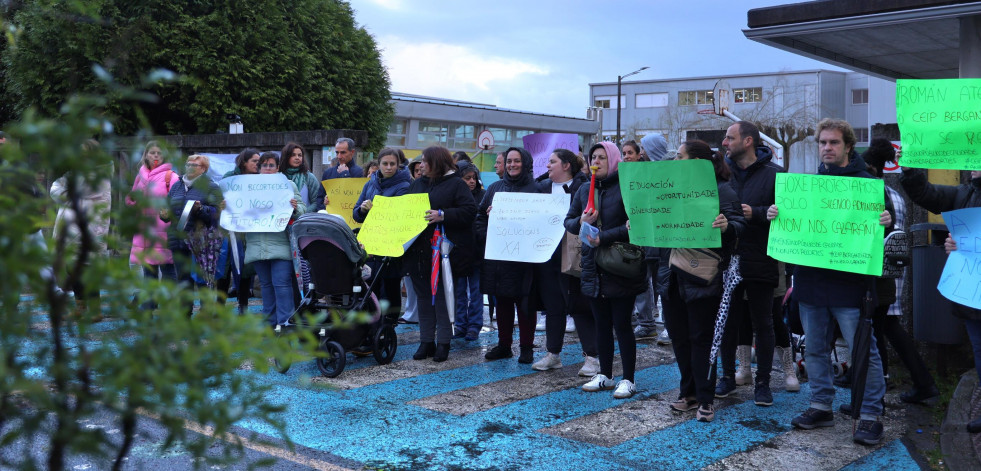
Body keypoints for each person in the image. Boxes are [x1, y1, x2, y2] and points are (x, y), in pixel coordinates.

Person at [768, 118, 892, 445]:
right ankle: (821, 405)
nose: (827, 148)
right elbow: (793, 227)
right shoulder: (808, 187)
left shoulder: (867, 184)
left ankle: (869, 414)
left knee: (864, 351)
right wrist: (777, 216)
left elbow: (883, 232)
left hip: (850, 288)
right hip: (810, 284)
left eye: (834, 142)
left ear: (848, 146)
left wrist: (885, 221)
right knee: (816, 350)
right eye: (823, 142)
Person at [661, 140, 745, 421]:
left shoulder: (722, 189)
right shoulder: (670, 189)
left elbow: (739, 225)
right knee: (680, 339)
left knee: (702, 339)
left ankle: (706, 400)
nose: (675, 162)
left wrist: (728, 226)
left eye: (680, 157)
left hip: (702, 276)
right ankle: (688, 393)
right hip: (671, 276)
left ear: (697, 162)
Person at [898, 146, 980, 431]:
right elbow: (928, 194)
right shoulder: (965, 193)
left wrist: (969, 245)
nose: (972, 163)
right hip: (973, 296)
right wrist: (909, 171)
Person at [564, 142, 647, 399]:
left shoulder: (627, 187)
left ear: (613, 160)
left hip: (620, 264)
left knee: (622, 324)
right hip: (592, 265)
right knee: (601, 324)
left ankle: (629, 379)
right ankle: (606, 375)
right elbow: (569, 220)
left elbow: (637, 224)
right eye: (592, 158)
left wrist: (605, 236)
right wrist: (581, 222)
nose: (596, 162)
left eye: (602, 157)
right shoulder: (582, 189)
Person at [859, 139, 937, 404]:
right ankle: (921, 383)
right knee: (887, 326)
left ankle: (882, 386)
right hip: (895, 269)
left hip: (879, 272)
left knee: (878, 328)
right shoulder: (895, 195)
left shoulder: (875, 194)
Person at [714, 121, 785, 405]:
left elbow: (788, 215)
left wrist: (754, 213)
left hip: (760, 257)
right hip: (727, 258)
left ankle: (763, 383)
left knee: (763, 322)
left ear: (747, 142)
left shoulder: (776, 175)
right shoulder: (723, 176)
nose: (724, 143)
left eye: (729, 138)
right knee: (728, 321)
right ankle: (728, 377)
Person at [404, 146, 477, 362]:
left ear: (436, 162)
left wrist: (443, 215)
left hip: (445, 254)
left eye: (425, 161)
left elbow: (469, 211)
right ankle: (426, 341)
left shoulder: (456, 184)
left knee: (444, 298)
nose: (421, 165)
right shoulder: (418, 184)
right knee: (424, 298)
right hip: (418, 252)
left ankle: (443, 342)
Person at [531, 149, 600, 376]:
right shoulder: (540, 188)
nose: (548, 166)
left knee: (578, 306)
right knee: (553, 306)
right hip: (546, 256)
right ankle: (553, 354)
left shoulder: (584, 187)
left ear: (566, 165)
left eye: (552, 162)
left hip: (574, 255)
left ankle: (592, 357)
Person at [478, 147, 540, 364]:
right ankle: (504, 345)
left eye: (517, 161)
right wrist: (489, 232)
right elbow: (479, 218)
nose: (513, 165)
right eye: (509, 161)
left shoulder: (537, 189)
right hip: (499, 257)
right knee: (502, 302)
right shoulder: (494, 188)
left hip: (525, 258)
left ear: (525, 162)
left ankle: (526, 347)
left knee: (526, 305)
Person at [50, 139, 112, 318]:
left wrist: (66, 193)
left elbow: (82, 190)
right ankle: (80, 306)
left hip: (90, 228)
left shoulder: (101, 174)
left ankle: (95, 310)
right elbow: (54, 187)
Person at [243, 152, 305, 328]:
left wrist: (294, 208)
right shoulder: (248, 187)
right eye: (264, 165)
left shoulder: (288, 185)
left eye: (271, 165)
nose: (267, 168)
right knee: (266, 286)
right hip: (256, 244)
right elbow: (238, 208)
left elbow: (303, 209)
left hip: (281, 244)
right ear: (259, 168)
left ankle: (285, 324)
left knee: (282, 285)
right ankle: (269, 324)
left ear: (278, 167)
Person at [161, 154, 223, 317]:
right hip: (178, 239)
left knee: (202, 280)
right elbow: (168, 208)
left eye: (193, 165)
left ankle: (206, 315)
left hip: (201, 242)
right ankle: (184, 316)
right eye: (187, 164)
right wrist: (164, 214)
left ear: (203, 169)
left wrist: (202, 210)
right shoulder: (177, 186)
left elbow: (216, 214)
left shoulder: (211, 187)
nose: (189, 167)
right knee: (183, 280)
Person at [353, 148, 412, 317]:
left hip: (390, 245)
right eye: (385, 164)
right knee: (370, 285)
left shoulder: (405, 186)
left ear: (398, 165)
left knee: (390, 287)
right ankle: (371, 325)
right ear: (378, 165)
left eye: (392, 164)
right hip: (370, 244)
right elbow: (355, 214)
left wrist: (376, 211)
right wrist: (363, 209)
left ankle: (388, 325)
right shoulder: (370, 183)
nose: (388, 167)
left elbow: (399, 217)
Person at [127, 141, 177, 307]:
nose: (156, 156)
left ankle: (170, 307)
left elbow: (177, 202)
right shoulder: (140, 176)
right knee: (148, 270)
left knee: (168, 270)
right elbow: (131, 200)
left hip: (163, 230)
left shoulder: (171, 176)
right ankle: (149, 306)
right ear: (146, 155)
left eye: (159, 153)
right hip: (144, 230)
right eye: (152, 153)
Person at [215, 148, 260, 313]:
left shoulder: (261, 180)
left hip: (250, 229)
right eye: (254, 161)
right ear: (244, 162)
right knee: (225, 267)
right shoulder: (229, 178)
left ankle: (243, 306)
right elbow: (219, 198)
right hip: (230, 229)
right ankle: (219, 306)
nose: (258, 164)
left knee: (245, 267)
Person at [454, 161, 485, 341]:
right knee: (459, 291)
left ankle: (474, 325)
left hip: (477, 251)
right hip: (459, 251)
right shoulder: (456, 196)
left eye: (474, 178)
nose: (472, 181)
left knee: (476, 292)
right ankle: (460, 324)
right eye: (467, 178)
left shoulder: (482, 195)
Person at [312, 137, 364, 212]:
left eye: (343, 152)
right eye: (337, 152)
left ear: (352, 152)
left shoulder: (360, 172)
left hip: (350, 218)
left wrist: (345, 174)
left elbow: (355, 196)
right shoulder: (328, 172)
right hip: (330, 218)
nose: (339, 156)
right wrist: (324, 204)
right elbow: (319, 198)